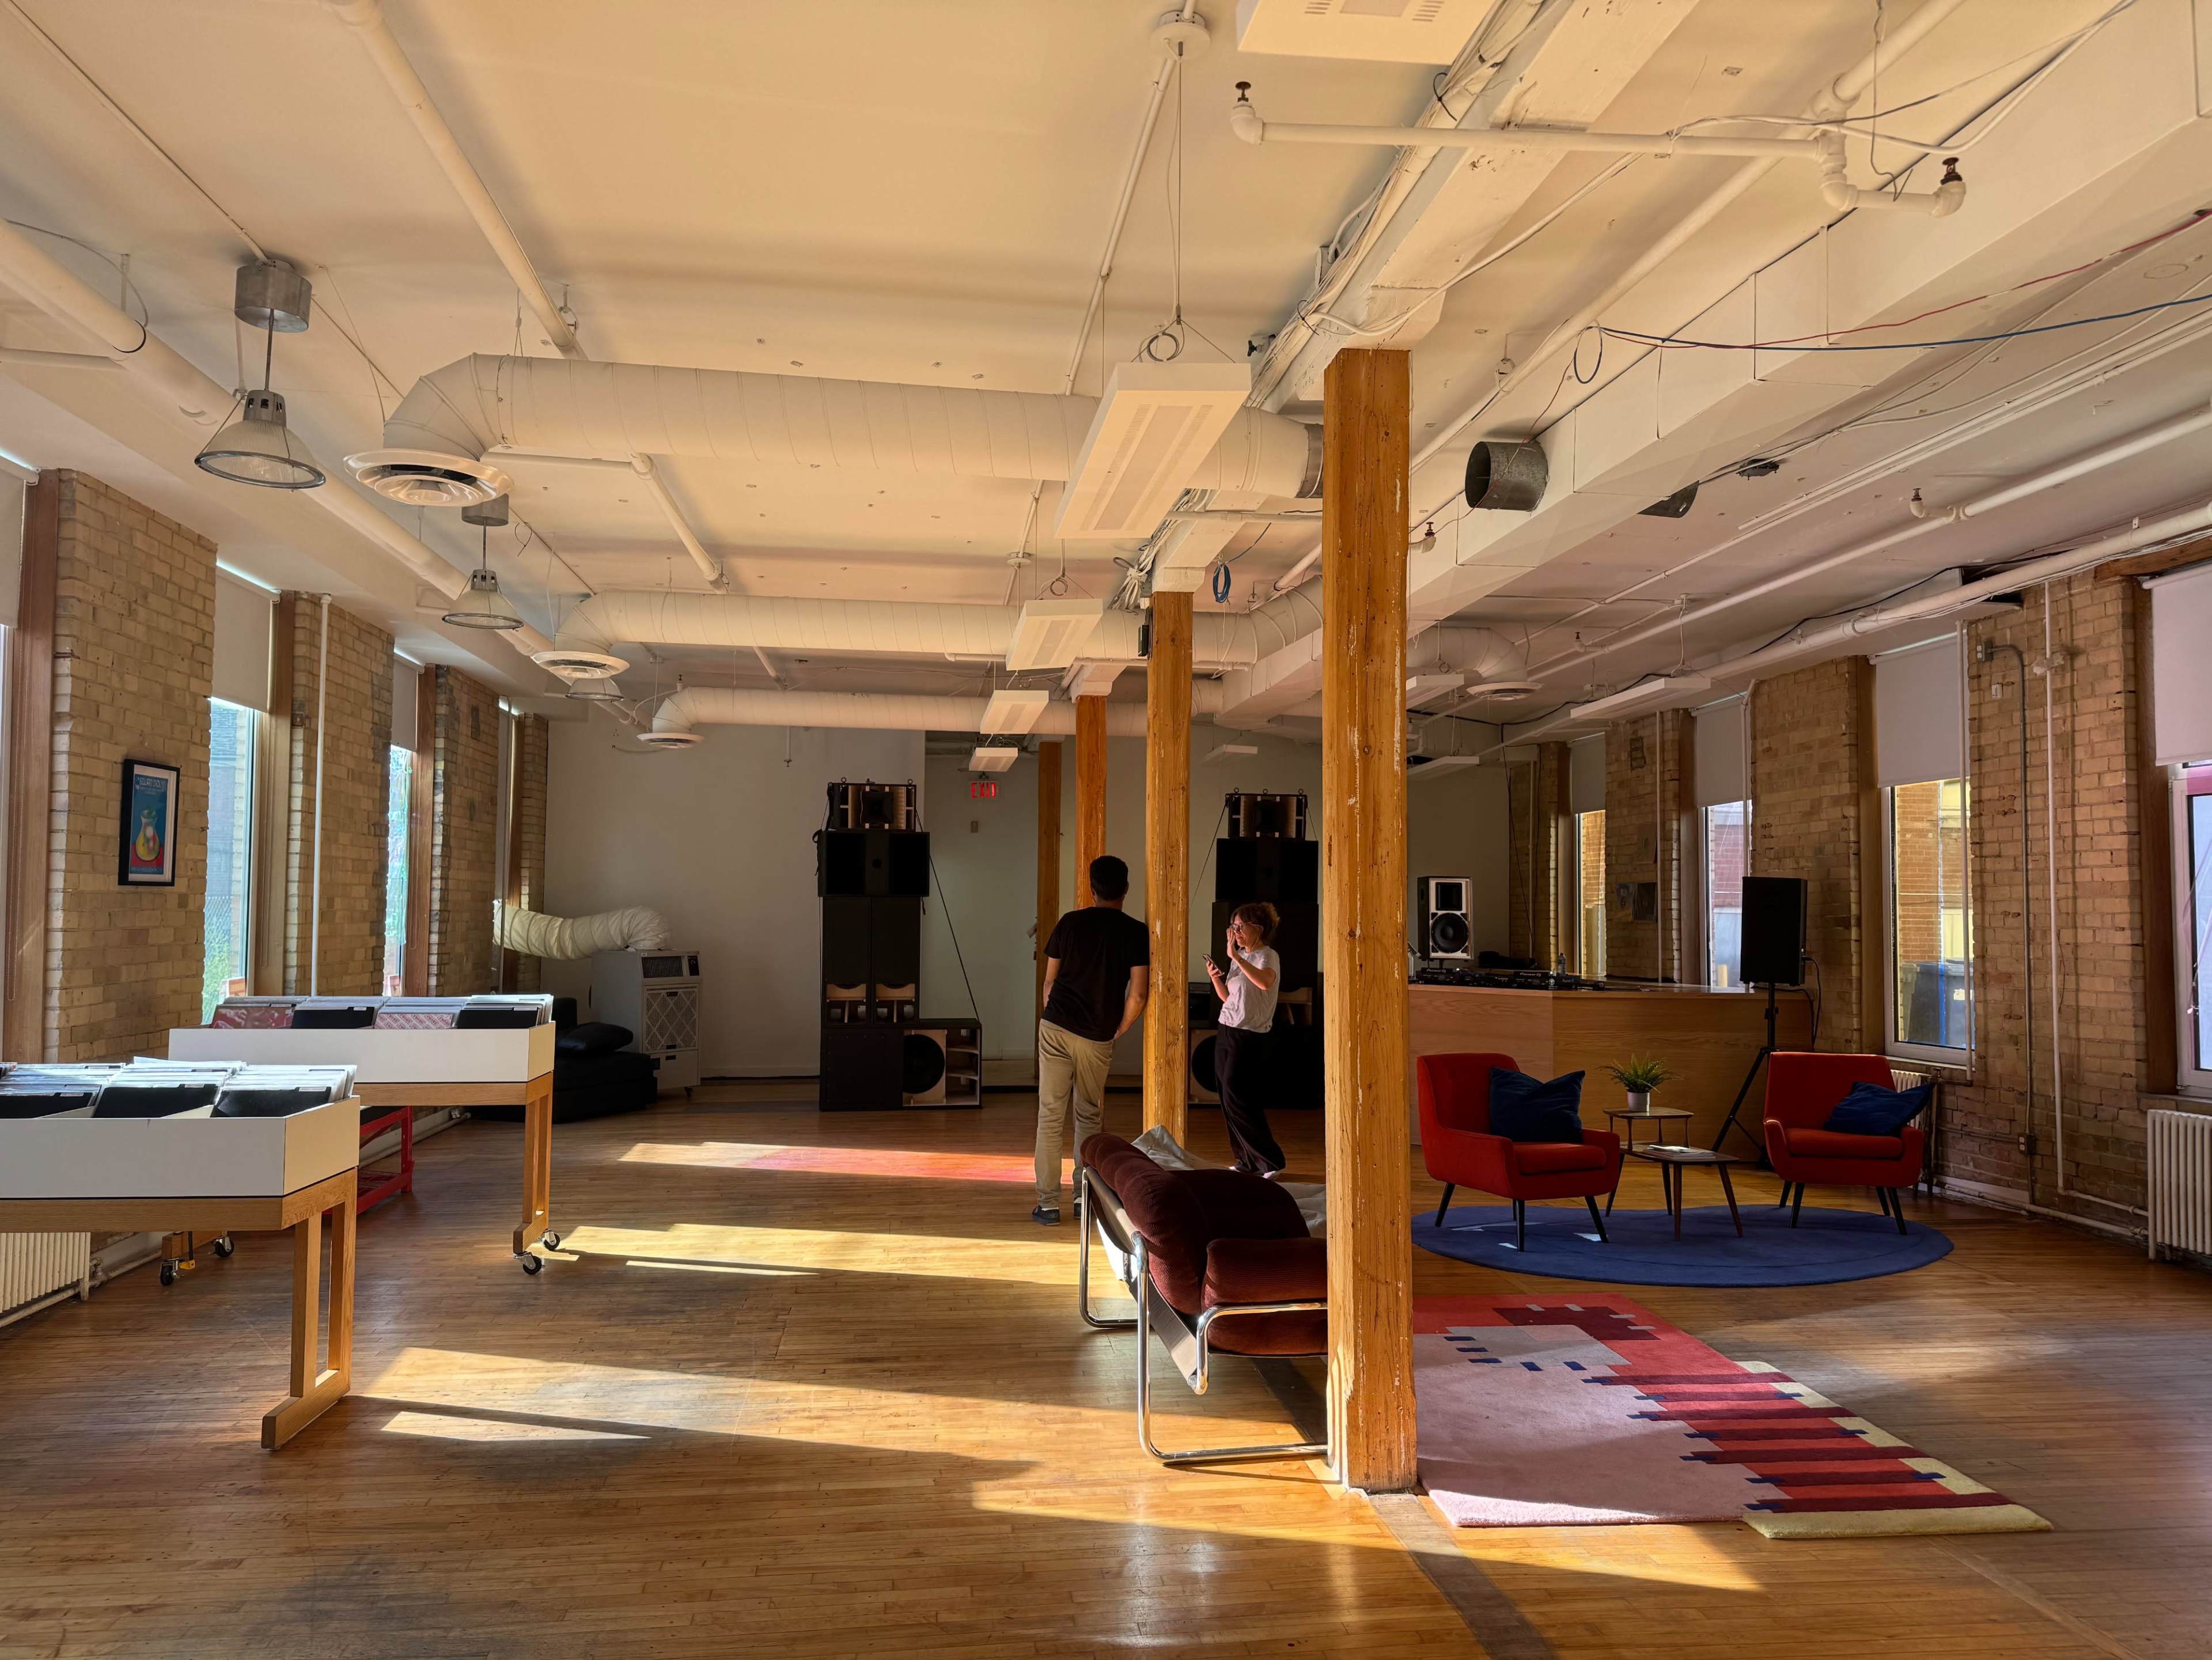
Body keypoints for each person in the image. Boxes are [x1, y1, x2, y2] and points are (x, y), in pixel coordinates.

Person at [1033, 854, 1150, 1225]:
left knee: (1050, 1115)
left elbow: (1049, 983)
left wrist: (1054, 1016)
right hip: (1098, 1035)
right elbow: (1138, 995)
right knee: (1089, 1114)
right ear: (1126, 889)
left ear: (1091, 888)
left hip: (1056, 1026)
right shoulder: (1135, 931)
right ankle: (1085, 1198)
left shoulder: (1070, 923)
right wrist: (1121, 1027)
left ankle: (1048, 1204)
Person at [1205, 901, 1285, 1178]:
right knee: (1226, 1096)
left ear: (1258, 929)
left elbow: (1265, 983)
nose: (1235, 932)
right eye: (1233, 927)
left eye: (1240, 927)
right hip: (1227, 1028)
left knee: (1240, 1098)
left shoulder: (1266, 955)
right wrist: (1216, 978)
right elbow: (1229, 997)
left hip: (1249, 1034)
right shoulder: (1239, 955)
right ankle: (1246, 1161)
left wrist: (1236, 958)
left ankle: (1270, 1161)